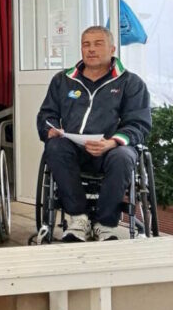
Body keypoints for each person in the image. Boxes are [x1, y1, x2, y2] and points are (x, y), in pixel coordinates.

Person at [37, 26, 151, 242]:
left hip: (110, 150)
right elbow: (47, 115)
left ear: (112, 48)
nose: (91, 49)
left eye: (98, 44)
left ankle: (105, 224)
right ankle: (78, 218)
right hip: (73, 149)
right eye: (86, 44)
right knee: (54, 147)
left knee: (124, 156)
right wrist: (49, 130)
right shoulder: (63, 80)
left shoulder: (131, 83)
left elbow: (139, 123)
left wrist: (113, 142)